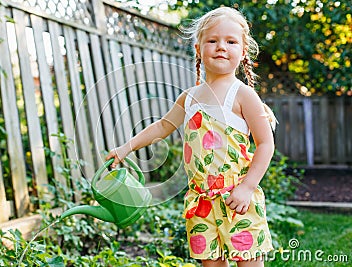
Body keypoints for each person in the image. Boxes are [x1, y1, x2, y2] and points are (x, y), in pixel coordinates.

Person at [106, 6, 276, 267]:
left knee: (249, 262)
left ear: (243, 52)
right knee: (211, 263)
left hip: (238, 199)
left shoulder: (243, 95)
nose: (221, 47)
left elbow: (266, 144)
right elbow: (163, 126)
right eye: (213, 40)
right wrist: (125, 148)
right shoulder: (190, 97)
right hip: (200, 201)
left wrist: (248, 187)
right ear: (198, 49)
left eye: (231, 41)